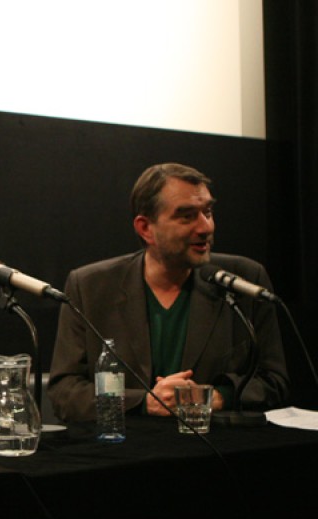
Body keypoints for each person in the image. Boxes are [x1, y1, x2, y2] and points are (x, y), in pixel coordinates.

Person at [48, 162, 290, 422]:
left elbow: (275, 382)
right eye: (186, 216)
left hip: (218, 452)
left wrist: (212, 397)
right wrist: (145, 402)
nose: (205, 227)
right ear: (145, 228)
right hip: (125, 452)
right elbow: (65, 393)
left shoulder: (245, 281)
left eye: (207, 212)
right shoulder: (90, 286)